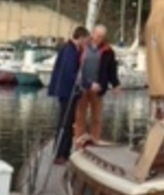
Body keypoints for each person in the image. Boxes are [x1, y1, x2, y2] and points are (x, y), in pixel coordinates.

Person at [47, 24, 89, 162]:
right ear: (81, 37)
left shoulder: (73, 50)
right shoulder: (69, 51)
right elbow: (70, 73)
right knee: (65, 123)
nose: (86, 42)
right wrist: (85, 84)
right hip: (67, 92)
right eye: (86, 39)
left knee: (68, 122)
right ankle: (60, 154)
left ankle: (65, 152)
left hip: (70, 91)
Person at [73, 23, 120, 144]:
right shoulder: (83, 47)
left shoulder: (108, 51)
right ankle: (78, 140)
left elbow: (112, 70)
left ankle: (94, 140)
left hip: (98, 87)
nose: (99, 38)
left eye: (102, 36)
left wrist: (115, 85)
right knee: (79, 116)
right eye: (97, 35)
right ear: (93, 33)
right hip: (82, 86)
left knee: (97, 117)